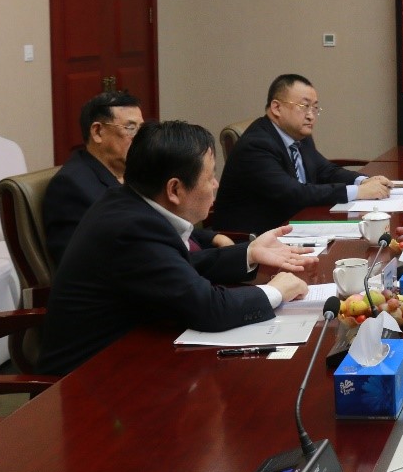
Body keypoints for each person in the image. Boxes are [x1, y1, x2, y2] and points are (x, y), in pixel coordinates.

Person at [39, 121, 311, 375]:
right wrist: (276, 291)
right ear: (174, 190)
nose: (216, 185)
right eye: (210, 176)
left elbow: (174, 270)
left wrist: (248, 253)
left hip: (131, 355)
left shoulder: (129, 203)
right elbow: (208, 308)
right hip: (88, 379)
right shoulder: (133, 228)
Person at [43, 91, 233, 266]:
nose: (140, 138)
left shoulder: (135, 171)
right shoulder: (71, 186)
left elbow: (163, 222)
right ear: (97, 132)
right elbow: (82, 261)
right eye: (131, 128)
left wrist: (210, 238)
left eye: (141, 129)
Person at [210, 74, 391, 234]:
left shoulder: (298, 136)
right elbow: (293, 193)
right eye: (304, 106)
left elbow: (325, 170)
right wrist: (358, 192)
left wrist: (362, 181)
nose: (311, 115)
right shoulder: (256, 145)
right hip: (253, 239)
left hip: (296, 224)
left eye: (315, 108)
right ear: (276, 108)